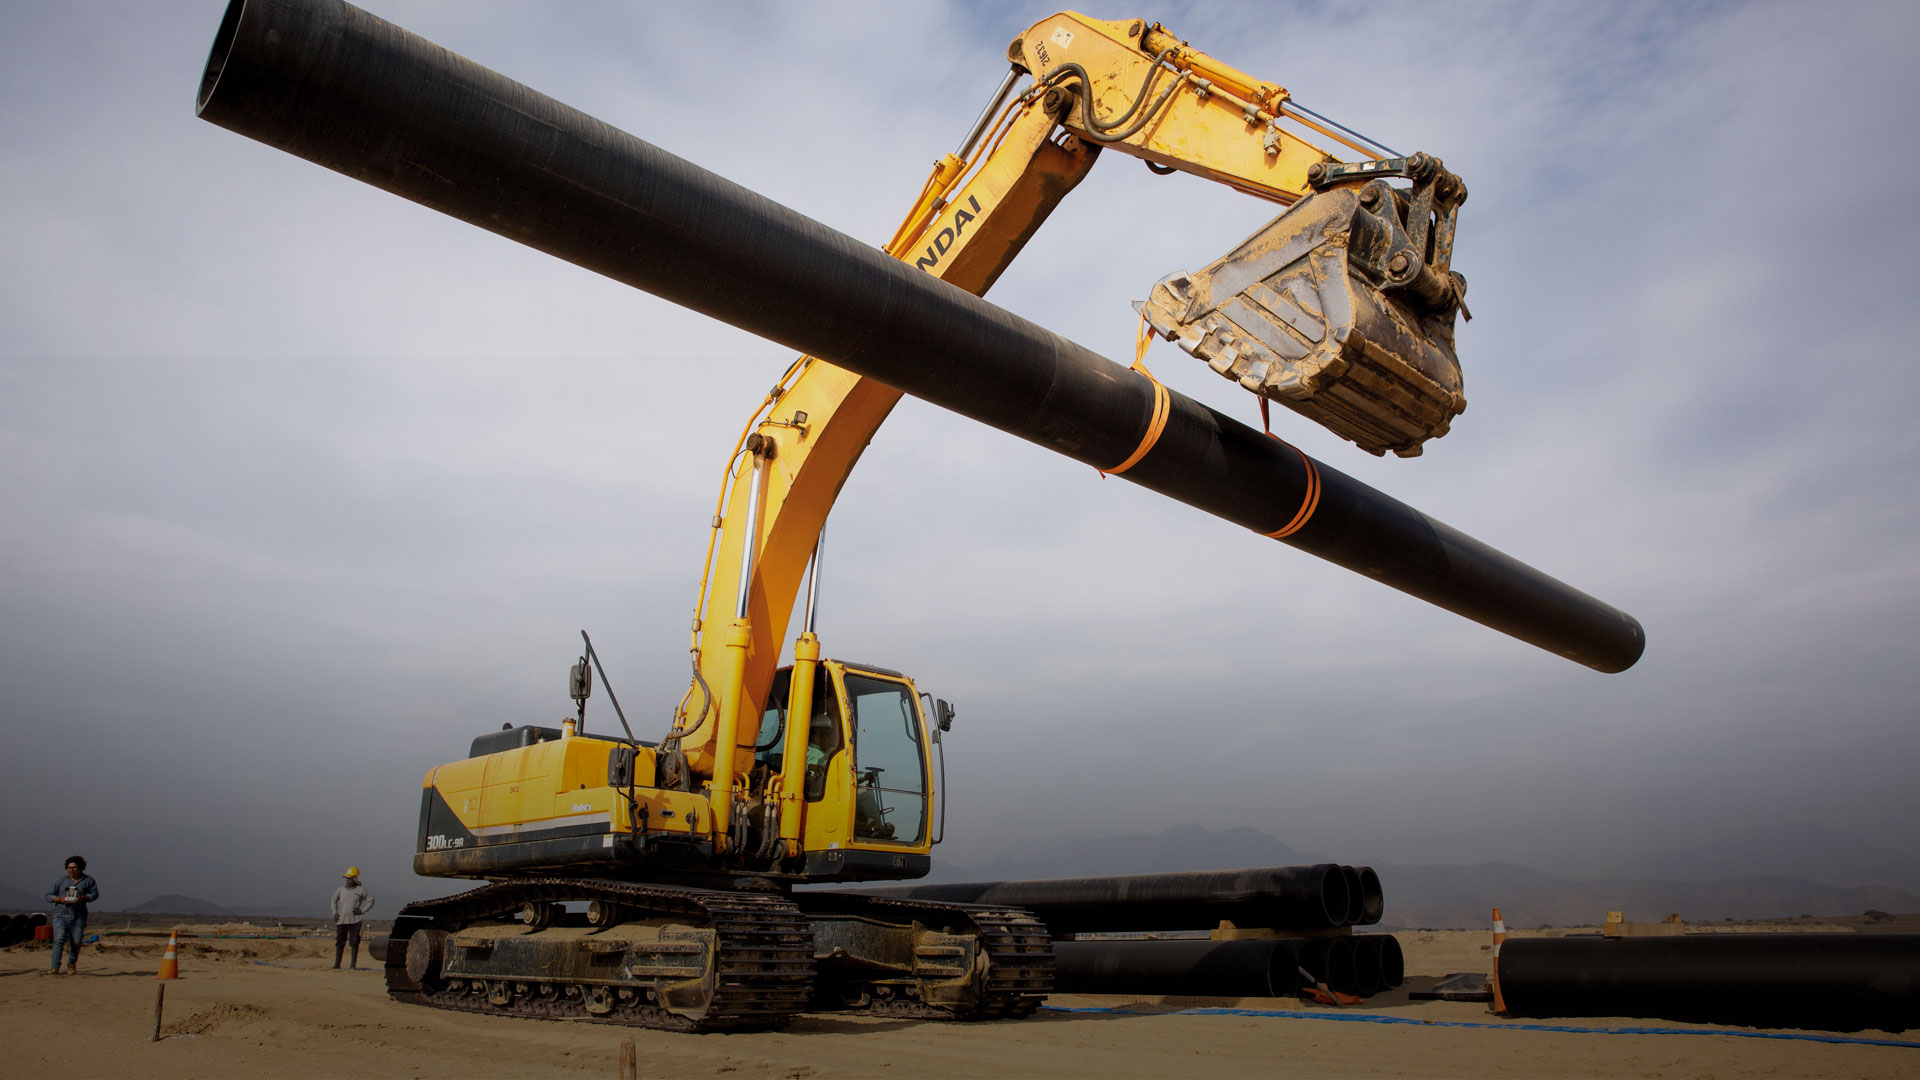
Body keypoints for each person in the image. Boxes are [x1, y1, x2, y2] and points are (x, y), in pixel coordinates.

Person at [44, 856, 99, 975]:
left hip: (78, 914)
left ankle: (71, 963)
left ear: (80, 868)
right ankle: (54, 967)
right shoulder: (61, 880)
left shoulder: (88, 880)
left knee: (76, 941)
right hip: (61, 913)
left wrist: (84, 897)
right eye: (69, 868)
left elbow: (95, 894)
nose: (71, 870)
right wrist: (59, 899)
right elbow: (48, 895)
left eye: (74, 867)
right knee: (59, 940)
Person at [330, 866, 375, 970]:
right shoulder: (340, 890)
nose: (347, 880)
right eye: (346, 878)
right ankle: (337, 964)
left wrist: (362, 911)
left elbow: (371, 900)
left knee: (354, 942)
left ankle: (352, 965)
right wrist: (334, 913)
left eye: (349, 878)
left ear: (355, 878)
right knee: (340, 942)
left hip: (355, 921)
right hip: (341, 920)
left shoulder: (360, 890)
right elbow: (333, 900)